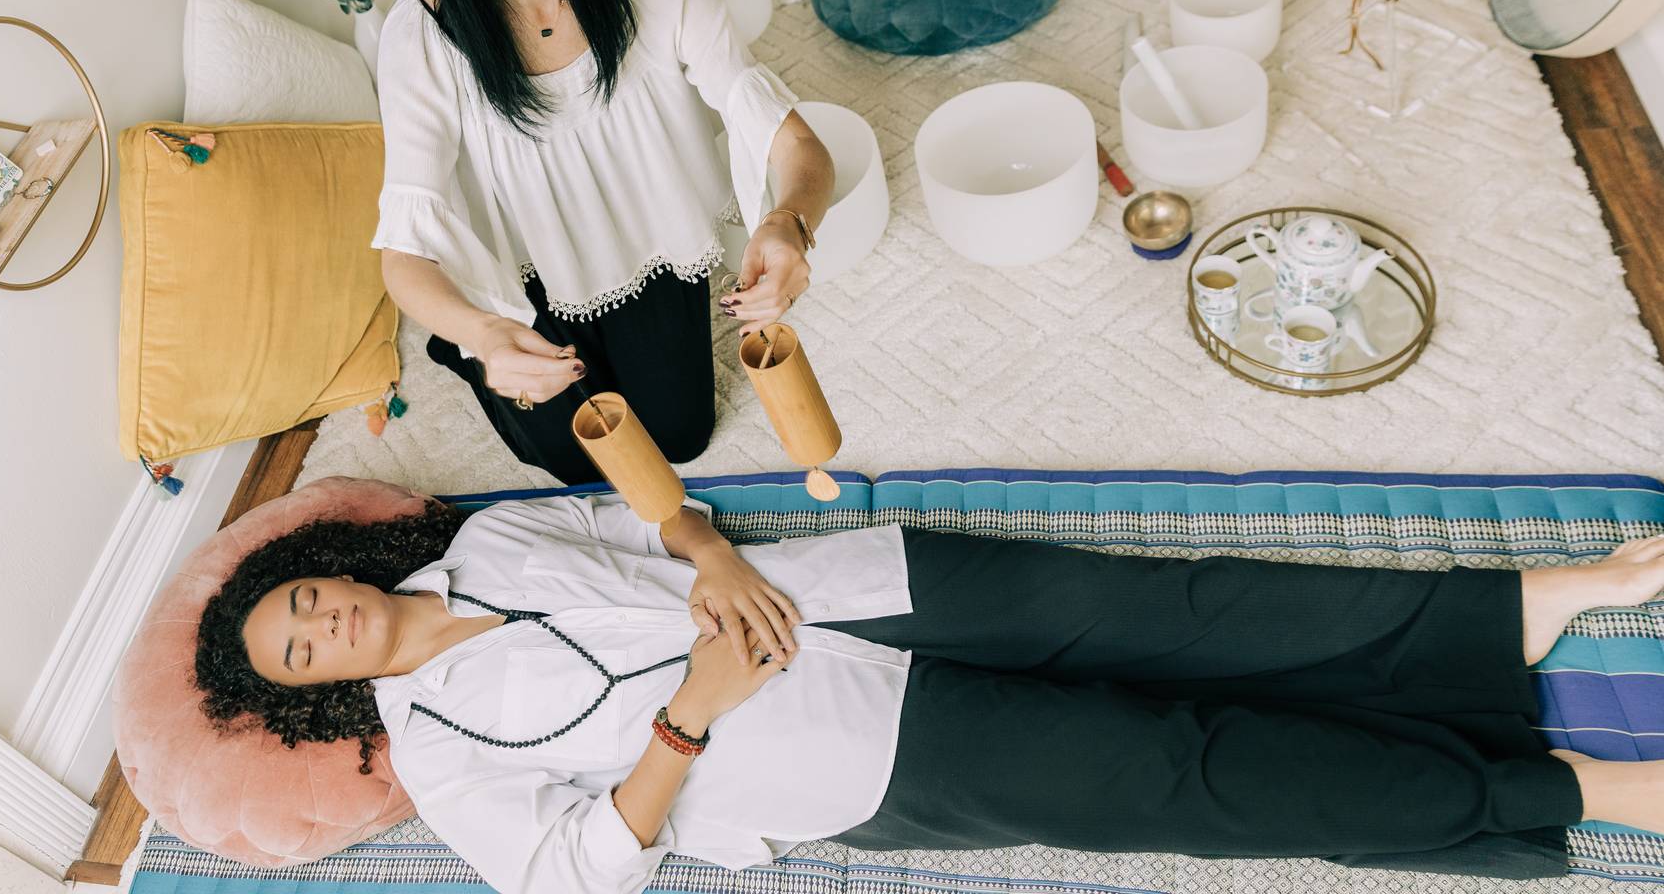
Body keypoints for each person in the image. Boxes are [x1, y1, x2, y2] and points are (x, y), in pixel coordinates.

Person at [194, 491, 1664, 894]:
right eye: (299, 650)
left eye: (301, 597)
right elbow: (571, 876)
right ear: (319, 697)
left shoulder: (489, 537)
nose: (318, 623)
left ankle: (1530, 607)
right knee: (1183, 780)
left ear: (331, 564)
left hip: (860, 590)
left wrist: (707, 554)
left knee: (1187, 607)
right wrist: (687, 717)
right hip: (849, 755)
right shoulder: (443, 756)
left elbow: (650, 521)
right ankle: (1589, 791)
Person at [371, 0, 834, 486]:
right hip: (524, 286)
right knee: (576, 465)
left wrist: (788, 225)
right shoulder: (421, 34)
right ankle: (455, 349)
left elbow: (795, 144)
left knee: (681, 440)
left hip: (651, 256)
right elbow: (403, 253)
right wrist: (484, 335)